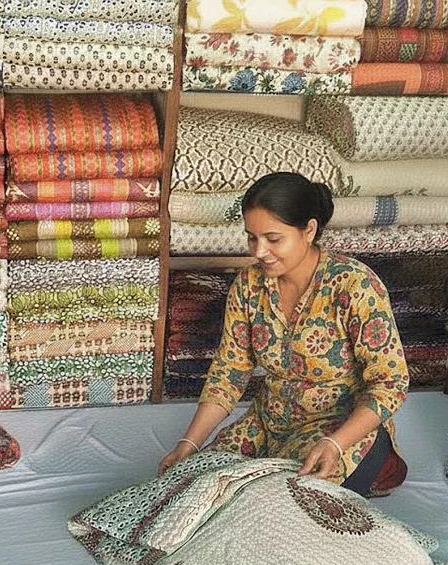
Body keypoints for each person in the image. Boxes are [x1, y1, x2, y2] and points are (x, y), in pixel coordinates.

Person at [159, 172, 410, 497]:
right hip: (269, 422)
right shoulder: (249, 286)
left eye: (273, 239)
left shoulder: (355, 286)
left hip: (339, 428)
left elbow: (390, 383)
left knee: (275, 502)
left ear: (309, 229)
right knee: (192, 487)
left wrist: (336, 443)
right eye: (252, 238)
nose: (259, 251)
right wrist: (188, 444)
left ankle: (381, 462)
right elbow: (228, 376)